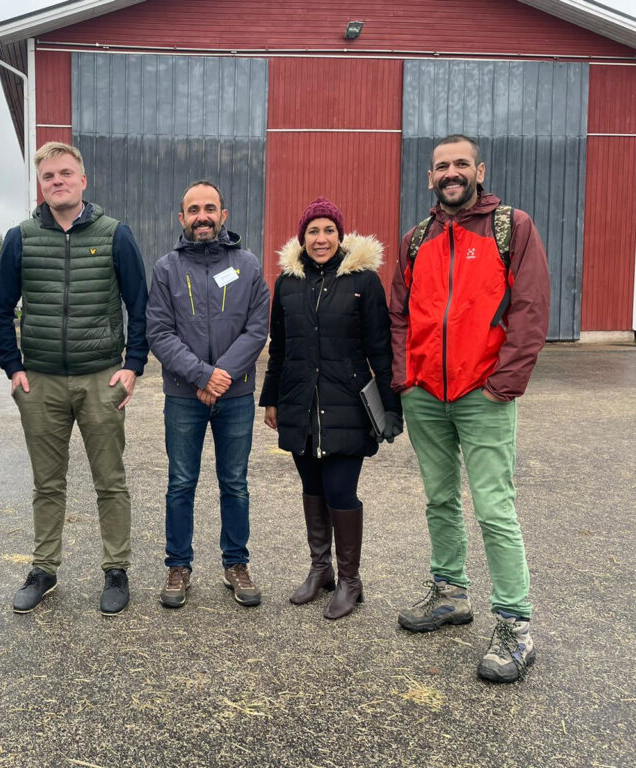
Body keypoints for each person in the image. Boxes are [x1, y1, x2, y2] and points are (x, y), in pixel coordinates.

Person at [389, 134, 550, 683]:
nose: (451, 172)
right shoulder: (416, 240)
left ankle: (515, 626)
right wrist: (405, 380)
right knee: (439, 499)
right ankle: (449, 593)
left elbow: (530, 308)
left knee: (494, 510)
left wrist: (504, 384)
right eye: (441, 166)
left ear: (479, 170)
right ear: (429, 177)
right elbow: (399, 315)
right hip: (427, 395)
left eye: (460, 164)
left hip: (484, 395)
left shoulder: (512, 227)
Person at [0, 141, 149, 616]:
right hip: (39, 382)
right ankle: (44, 569)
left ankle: (116, 569)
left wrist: (133, 363)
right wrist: (13, 367)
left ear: (83, 180)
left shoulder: (115, 234)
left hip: (101, 377)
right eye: (48, 176)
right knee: (47, 482)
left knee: (110, 480)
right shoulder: (20, 238)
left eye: (65, 173)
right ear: (40, 185)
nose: (56, 181)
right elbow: (0, 308)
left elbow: (139, 305)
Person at [260, 197, 401, 620]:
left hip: (348, 405)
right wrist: (270, 399)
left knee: (341, 491)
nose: (320, 239)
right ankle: (320, 569)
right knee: (312, 489)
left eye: (328, 231)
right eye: (312, 231)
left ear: (340, 235)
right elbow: (280, 348)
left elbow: (381, 348)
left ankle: (350, 581)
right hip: (299, 403)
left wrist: (391, 408)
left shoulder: (364, 281)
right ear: (301, 238)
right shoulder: (288, 282)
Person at [146, 180, 270, 609]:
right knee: (181, 482)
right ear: (182, 218)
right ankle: (178, 565)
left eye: (210, 208)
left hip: (235, 396)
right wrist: (202, 376)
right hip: (184, 395)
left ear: (224, 214)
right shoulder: (165, 269)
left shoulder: (248, 265)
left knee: (234, 483)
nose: (203, 216)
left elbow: (257, 328)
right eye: (194, 209)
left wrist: (223, 376)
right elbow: (158, 332)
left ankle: (236, 563)